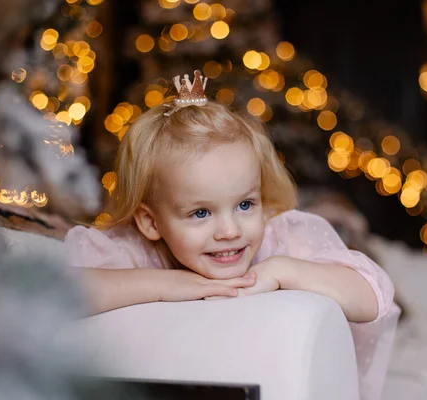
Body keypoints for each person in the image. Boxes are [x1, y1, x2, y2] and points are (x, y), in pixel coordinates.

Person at [64, 70, 399, 400]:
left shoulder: (278, 240)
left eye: (244, 204)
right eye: (201, 213)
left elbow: (375, 295)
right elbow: (57, 294)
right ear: (151, 223)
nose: (230, 231)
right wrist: (168, 285)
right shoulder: (137, 252)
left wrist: (283, 270)